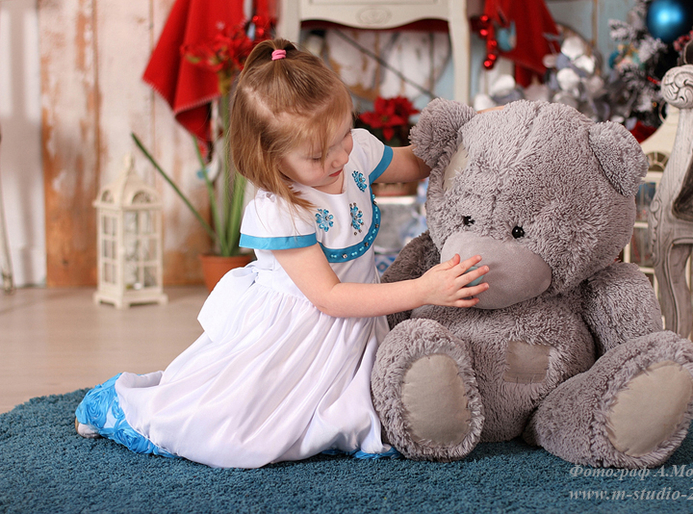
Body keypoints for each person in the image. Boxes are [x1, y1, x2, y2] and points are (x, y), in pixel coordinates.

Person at [74, 38, 489, 469]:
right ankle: (119, 408)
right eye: (317, 155)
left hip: (357, 321)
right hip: (297, 333)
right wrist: (423, 289)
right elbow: (330, 297)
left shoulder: (354, 153)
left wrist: (472, 131)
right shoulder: (282, 209)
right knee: (235, 433)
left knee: (360, 411)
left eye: (343, 135)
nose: (339, 157)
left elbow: (418, 163)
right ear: (269, 158)